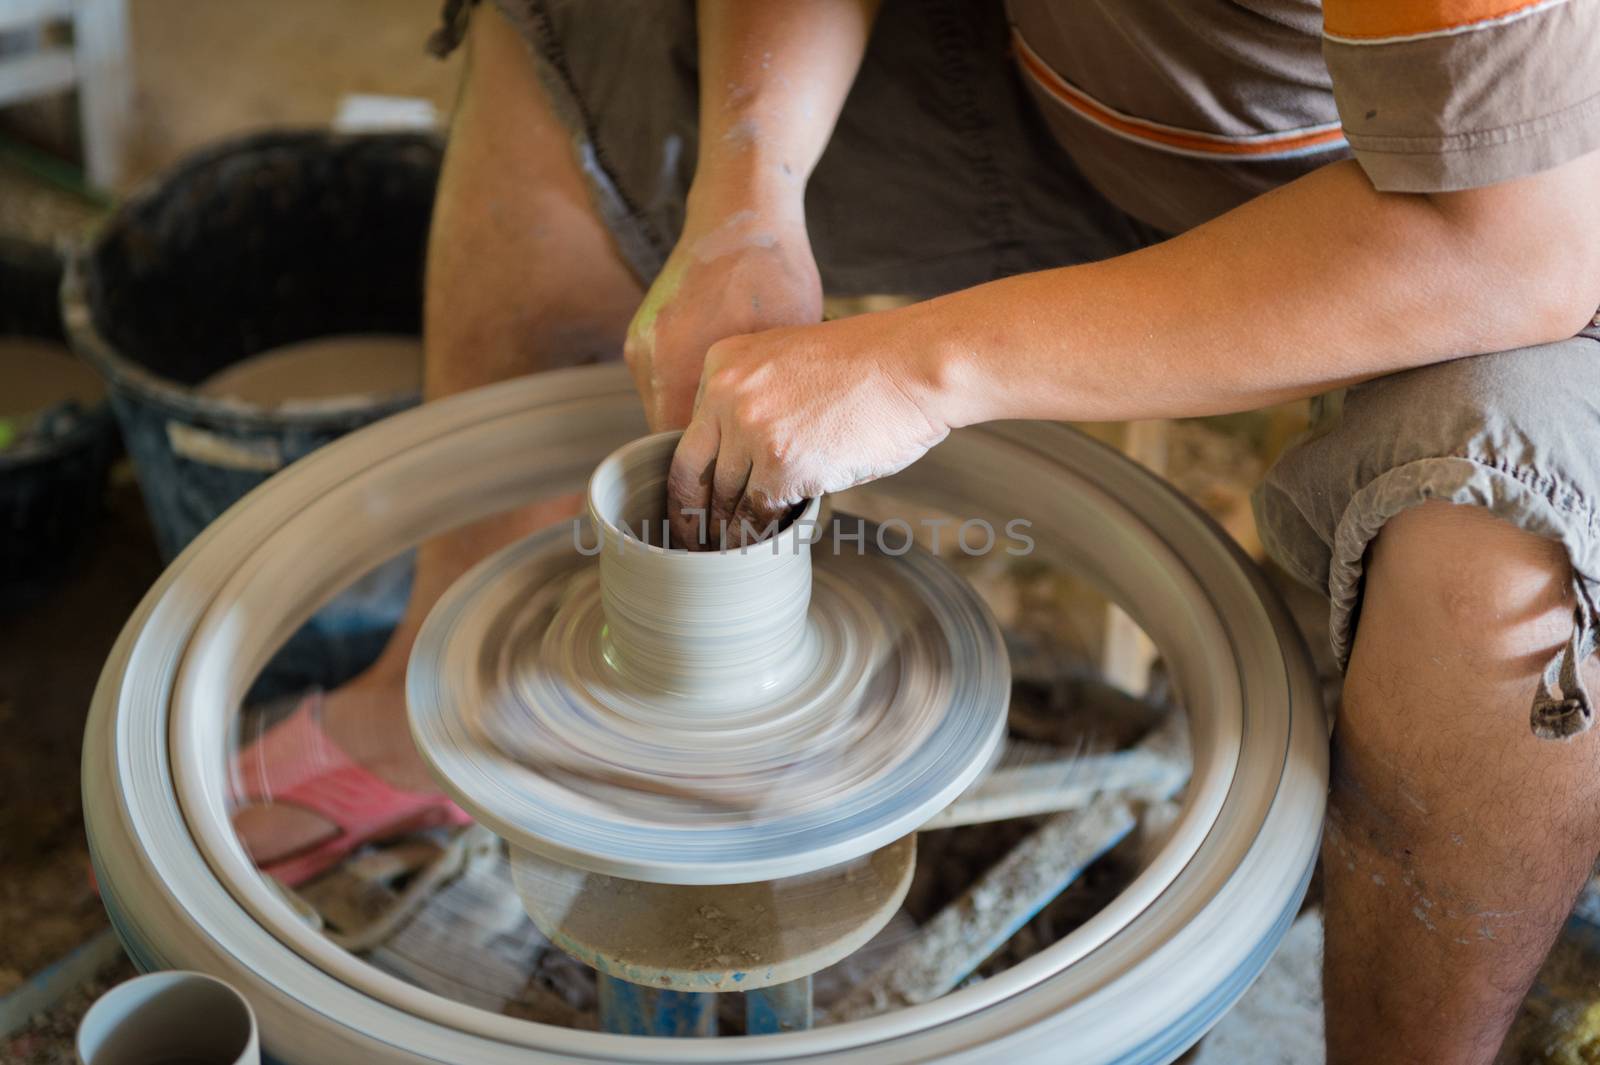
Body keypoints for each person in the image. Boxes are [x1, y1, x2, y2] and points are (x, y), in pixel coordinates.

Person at [235, 1, 1600, 1060]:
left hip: (1480, 209)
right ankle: (431, 699)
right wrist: (746, 198)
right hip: (1067, 89)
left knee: (1498, 565)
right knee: (586, 51)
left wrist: (923, 366)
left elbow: (1513, 242)